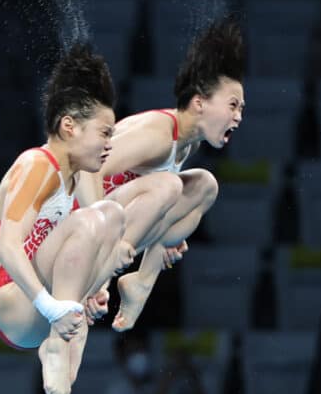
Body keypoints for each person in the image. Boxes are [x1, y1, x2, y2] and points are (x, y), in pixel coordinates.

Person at [0, 43, 136, 394]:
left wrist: (99, 285)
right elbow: (8, 247)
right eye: (104, 133)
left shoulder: (77, 175)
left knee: (112, 216)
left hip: (42, 293)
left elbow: (102, 237)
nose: (110, 145)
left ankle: (67, 337)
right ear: (69, 127)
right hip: (8, 296)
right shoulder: (37, 165)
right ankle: (58, 343)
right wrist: (50, 308)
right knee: (90, 220)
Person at [77, 16, 246, 331]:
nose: (238, 117)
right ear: (199, 103)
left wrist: (168, 233)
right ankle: (99, 275)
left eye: (242, 109)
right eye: (233, 106)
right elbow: (84, 171)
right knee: (169, 187)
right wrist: (96, 276)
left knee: (204, 186)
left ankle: (141, 282)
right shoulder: (157, 134)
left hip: (118, 221)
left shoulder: (187, 144)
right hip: (79, 221)